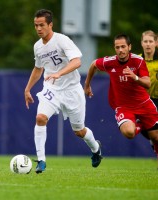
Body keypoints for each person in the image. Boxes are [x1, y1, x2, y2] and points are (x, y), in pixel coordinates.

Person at [24, 9, 102, 174]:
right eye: (36, 25)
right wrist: (27, 88)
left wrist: (59, 73)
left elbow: (77, 62)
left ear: (50, 25)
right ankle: (41, 161)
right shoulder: (37, 46)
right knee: (40, 118)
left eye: (42, 25)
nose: (38, 29)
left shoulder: (62, 40)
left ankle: (96, 149)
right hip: (51, 89)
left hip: (72, 90)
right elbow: (38, 69)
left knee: (79, 131)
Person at [84, 34, 158, 174]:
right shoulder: (110, 62)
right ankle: (140, 125)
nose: (121, 50)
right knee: (129, 132)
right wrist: (87, 85)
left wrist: (135, 77)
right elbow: (93, 65)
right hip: (123, 106)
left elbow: (147, 83)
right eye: (117, 47)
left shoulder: (138, 61)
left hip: (144, 104)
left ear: (129, 47)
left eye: (123, 46)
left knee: (156, 136)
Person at [140, 30, 158, 164]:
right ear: (141, 43)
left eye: (150, 41)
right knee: (150, 133)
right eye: (145, 41)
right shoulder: (138, 60)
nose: (148, 44)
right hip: (145, 102)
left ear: (155, 44)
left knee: (156, 128)